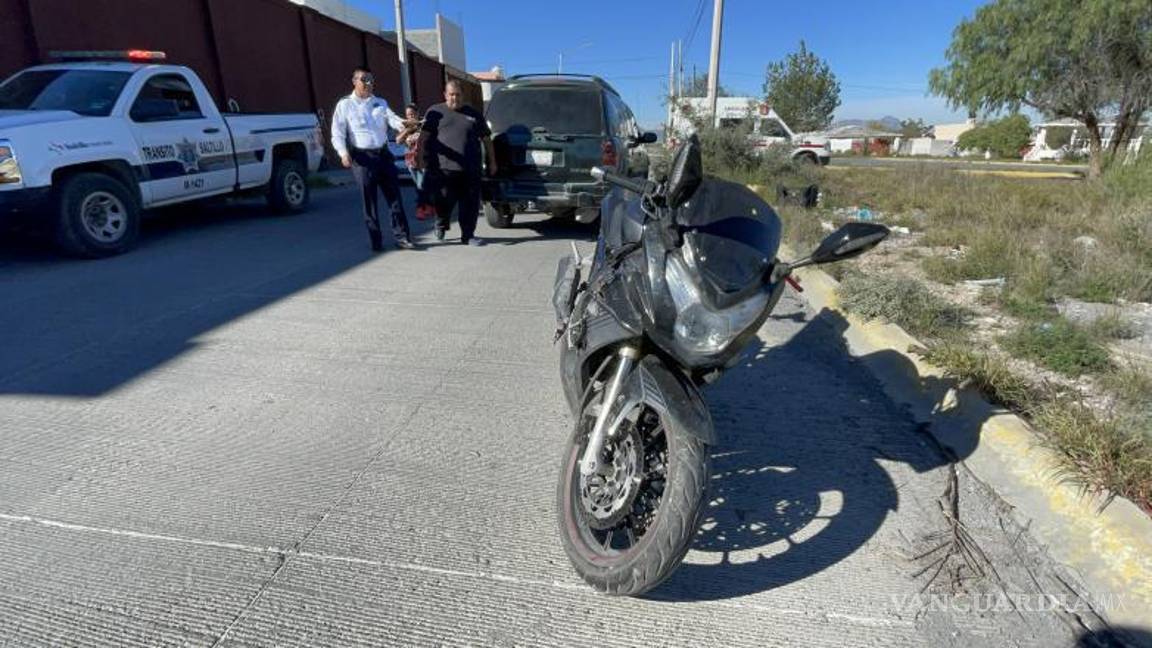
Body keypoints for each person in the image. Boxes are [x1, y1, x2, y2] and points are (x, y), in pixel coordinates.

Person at [331, 67, 415, 251]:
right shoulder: (345, 105)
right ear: (354, 81)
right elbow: (337, 133)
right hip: (362, 158)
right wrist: (343, 153)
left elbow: (393, 119)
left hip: (383, 155)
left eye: (371, 79)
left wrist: (404, 125)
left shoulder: (380, 102)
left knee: (394, 198)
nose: (368, 83)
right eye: (364, 79)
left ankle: (402, 237)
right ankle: (376, 241)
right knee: (369, 202)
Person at [418, 80, 498, 246]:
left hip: (471, 168)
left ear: (463, 95)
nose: (455, 98)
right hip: (443, 169)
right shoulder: (435, 111)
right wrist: (420, 158)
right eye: (451, 94)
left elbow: (486, 139)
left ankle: (468, 235)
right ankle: (441, 222)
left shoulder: (473, 114)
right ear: (445, 95)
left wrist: (492, 162)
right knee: (443, 201)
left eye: (458, 95)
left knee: (470, 204)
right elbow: (423, 137)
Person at [395, 103, 433, 220]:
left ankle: (420, 209)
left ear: (417, 113)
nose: (410, 117)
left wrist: (418, 128)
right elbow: (398, 141)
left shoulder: (424, 125)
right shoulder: (405, 126)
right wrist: (408, 130)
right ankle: (429, 205)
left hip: (424, 160)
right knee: (418, 185)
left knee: (421, 185)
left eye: (412, 114)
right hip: (411, 161)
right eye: (408, 115)